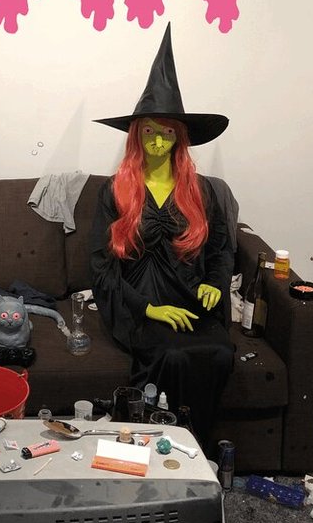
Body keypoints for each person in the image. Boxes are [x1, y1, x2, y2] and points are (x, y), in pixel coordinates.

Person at [90, 25, 234, 444]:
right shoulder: (114, 190)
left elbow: (221, 248)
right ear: (137, 134)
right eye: (149, 130)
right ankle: (159, 441)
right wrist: (148, 309)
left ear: (179, 138)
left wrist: (214, 283)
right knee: (171, 354)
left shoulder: (202, 191)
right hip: (137, 303)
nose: (157, 140)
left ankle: (196, 446)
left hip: (189, 297)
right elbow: (101, 268)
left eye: (167, 131)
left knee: (220, 353)